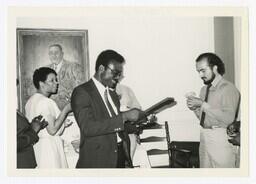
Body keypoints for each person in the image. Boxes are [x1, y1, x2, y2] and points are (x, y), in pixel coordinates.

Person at [71, 49, 145, 168]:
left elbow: (115, 126)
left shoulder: (112, 94)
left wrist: (137, 123)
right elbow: (88, 128)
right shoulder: (82, 92)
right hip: (99, 160)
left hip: (120, 156)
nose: (118, 78)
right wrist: (124, 116)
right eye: (115, 73)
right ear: (101, 69)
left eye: (120, 74)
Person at [186, 53, 240, 168]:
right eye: (198, 72)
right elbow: (204, 119)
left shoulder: (228, 88)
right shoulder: (204, 90)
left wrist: (203, 104)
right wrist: (195, 108)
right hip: (204, 136)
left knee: (223, 176)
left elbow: (229, 118)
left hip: (220, 138)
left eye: (203, 70)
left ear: (215, 68)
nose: (200, 75)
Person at [25, 67, 72, 168]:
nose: (56, 83)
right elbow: (52, 130)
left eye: (56, 80)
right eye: (52, 80)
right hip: (50, 150)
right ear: (42, 84)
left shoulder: (30, 101)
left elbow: (45, 126)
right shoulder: (46, 102)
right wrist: (67, 109)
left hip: (38, 148)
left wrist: (62, 122)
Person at [47, 44, 85, 110]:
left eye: (56, 53)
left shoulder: (73, 67)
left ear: (62, 54)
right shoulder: (46, 69)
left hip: (70, 109)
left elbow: (81, 88)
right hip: (51, 109)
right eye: (51, 53)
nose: (53, 55)